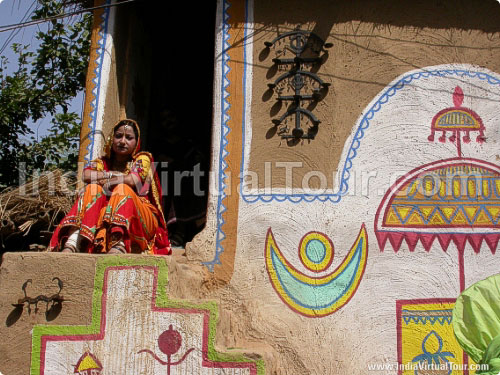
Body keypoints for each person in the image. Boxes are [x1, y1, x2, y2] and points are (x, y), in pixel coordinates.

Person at [49, 119, 171, 255]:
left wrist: (108, 182)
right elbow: (86, 175)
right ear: (111, 139)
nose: (122, 141)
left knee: (122, 189)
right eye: (118, 136)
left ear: (137, 142)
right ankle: (73, 242)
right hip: (107, 215)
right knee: (92, 189)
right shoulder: (103, 162)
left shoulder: (142, 159)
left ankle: (119, 243)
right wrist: (112, 175)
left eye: (129, 138)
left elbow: (132, 179)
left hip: (142, 220)